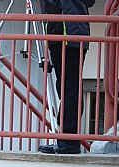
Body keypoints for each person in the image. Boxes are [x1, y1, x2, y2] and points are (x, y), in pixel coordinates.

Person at [39, 0, 96, 154]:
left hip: (70, 34)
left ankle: (69, 139)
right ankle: (65, 137)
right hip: (60, 33)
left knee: (70, 87)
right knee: (64, 86)